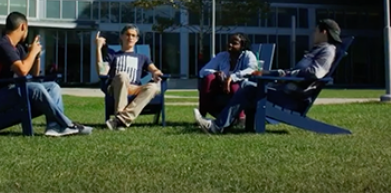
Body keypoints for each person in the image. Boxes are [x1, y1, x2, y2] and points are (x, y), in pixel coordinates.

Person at [193, 19, 342, 135]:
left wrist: (286, 75)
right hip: (286, 91)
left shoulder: (328, 50)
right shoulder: (319, 50)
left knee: (248, 88)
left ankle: (218, 126)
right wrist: (270, 73)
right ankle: (220, 125)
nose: (313, 33)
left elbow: (316, 73)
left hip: (292, 98)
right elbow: (296, 71)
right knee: (248, 87)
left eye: (315, 31)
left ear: (323, 32)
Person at [0, 11, 93, 137]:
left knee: (53, 87)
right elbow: (22, 70)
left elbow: (33, 74)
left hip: (8, 92)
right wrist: (32, 53)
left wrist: (36, 57)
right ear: (23, 27)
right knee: (35, 89)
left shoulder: (18, 48)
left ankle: (53, 127)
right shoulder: (3, 45)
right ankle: (67, 124)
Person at [95, 24, 164, 131]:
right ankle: (121, 118)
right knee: (123, 75)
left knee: (153, 87)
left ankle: (120, 120)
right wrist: (98, 48)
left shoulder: (142, 57)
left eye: (133, 35)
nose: (130, 38)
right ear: (121, 36)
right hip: (116, 87)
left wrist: (156, 73)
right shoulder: (113, 55)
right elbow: (102, 72)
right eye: (127, 34)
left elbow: (154, 69)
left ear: (136, 39)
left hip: (134, 89)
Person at [198, 33, 257, 118]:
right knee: (209, 78)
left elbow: (252, 70)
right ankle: (202, 114)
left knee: (234, 86)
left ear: (242, 46)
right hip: (221, 87)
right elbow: (202, 71)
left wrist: (232, 78)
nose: (230, 44)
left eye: (234, 43)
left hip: (241, 88)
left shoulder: (248, 55)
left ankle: (241, 117)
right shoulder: (222, 56)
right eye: (229, 42)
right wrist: (216, 73)